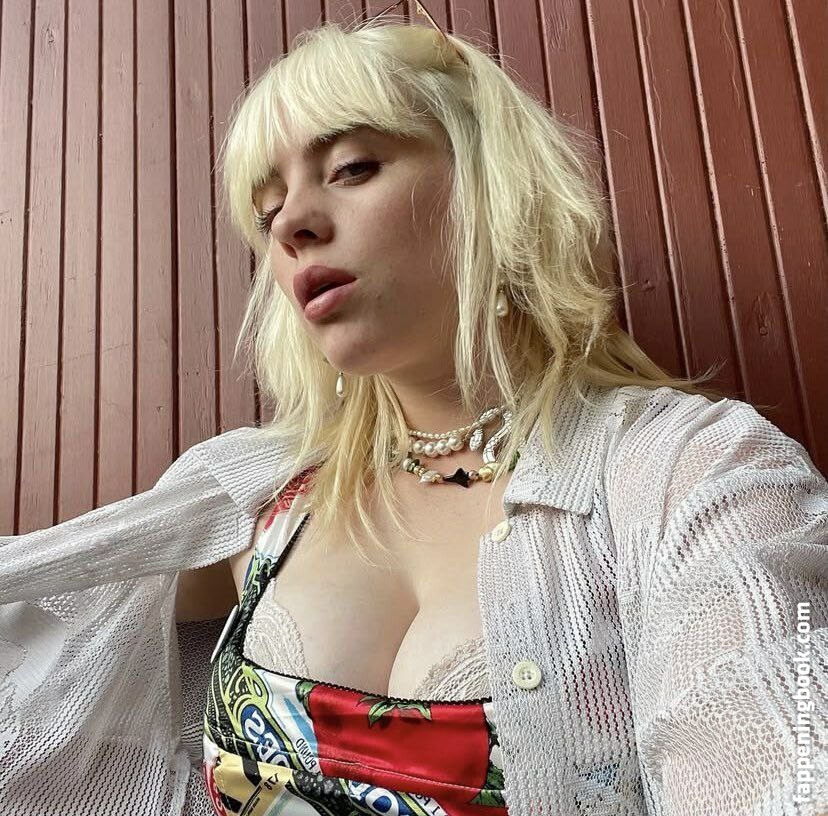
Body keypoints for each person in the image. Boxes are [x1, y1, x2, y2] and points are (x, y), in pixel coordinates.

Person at [2, 13, 826, 816]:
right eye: (267, 210)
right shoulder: (251, 496)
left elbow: (772, 751)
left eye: (353, 167)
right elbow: (46, 640)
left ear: (490, 184)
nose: (292, 225)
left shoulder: (694, 473)